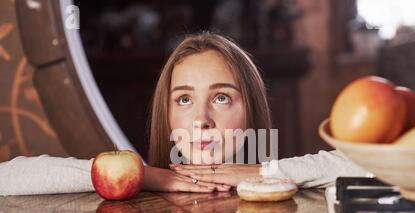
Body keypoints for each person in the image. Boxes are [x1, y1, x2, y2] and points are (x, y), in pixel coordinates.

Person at [0, 32, 368, 196]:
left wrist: (265, 173)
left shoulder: (283, 182)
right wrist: (141, 177)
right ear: (167, 116)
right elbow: (8, 179)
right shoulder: (145, 186)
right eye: (184, 100)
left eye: (222, 98)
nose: (201, 120)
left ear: (250, 111)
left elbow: (374, 166)